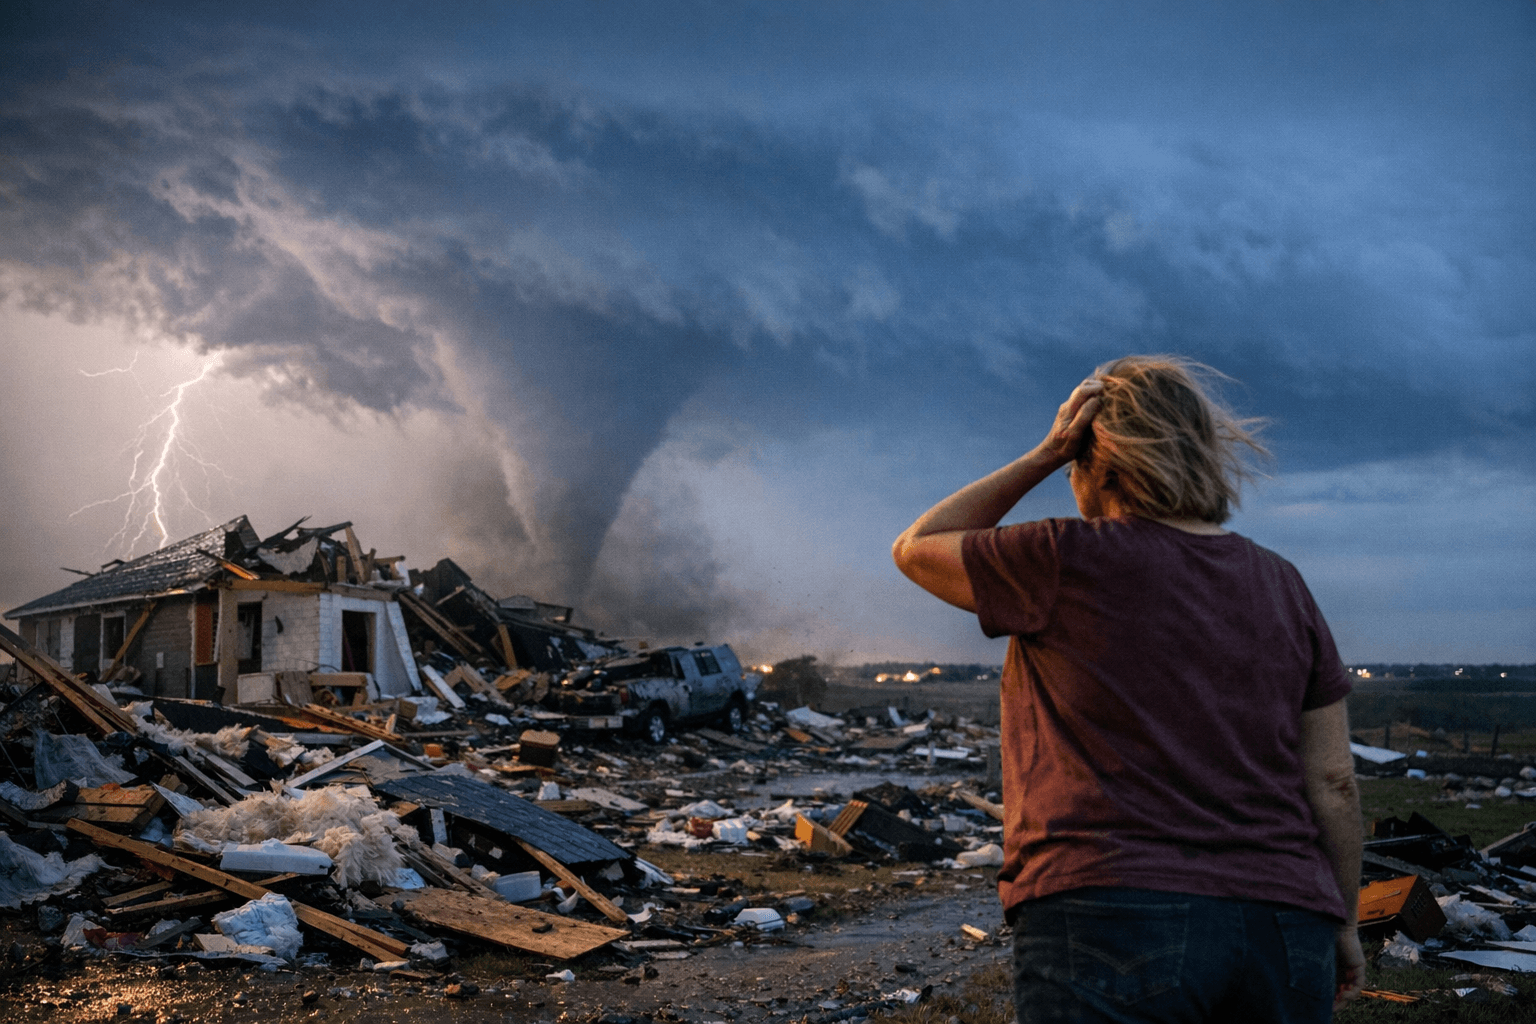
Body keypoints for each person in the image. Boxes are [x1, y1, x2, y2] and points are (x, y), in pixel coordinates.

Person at [891, 355, 1364, 1023]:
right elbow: (1334, 780)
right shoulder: (1283, 584)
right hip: (1285, 924)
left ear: (1092, 461)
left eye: (1075, 462)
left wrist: (1044, 454)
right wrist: (1341, 923)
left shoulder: (1063, 558)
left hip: (1107, 909)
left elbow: (918, 546)